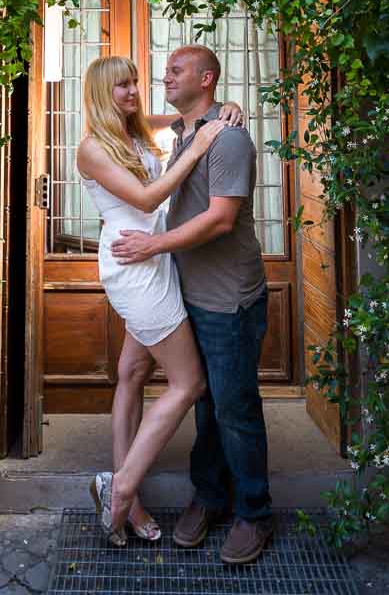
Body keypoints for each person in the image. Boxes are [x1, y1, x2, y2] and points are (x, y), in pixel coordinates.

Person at [111, 44, 273, 565]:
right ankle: (209, 497)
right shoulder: (183, 134)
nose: (164, 76)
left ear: (207, 78)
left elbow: (223, 218)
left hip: (229, 300)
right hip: (186, 296)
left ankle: (254, 513)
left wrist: (153, 246)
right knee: (204, 405)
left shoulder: (228, 139)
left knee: (235, 410)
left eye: (175, 70)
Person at [76, 55, 243, 546]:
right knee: (188, 384)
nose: (132, 92)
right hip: (135, 265)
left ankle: (130, 502)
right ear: (101, 94)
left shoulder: (134, 129)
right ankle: (121, 488)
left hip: (158, 258)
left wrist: (225, 108)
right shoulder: (92, 148)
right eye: (120, 87)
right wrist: (200, 147)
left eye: (133, 82)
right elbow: (147, 201)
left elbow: (191, 117)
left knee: (132, 373)